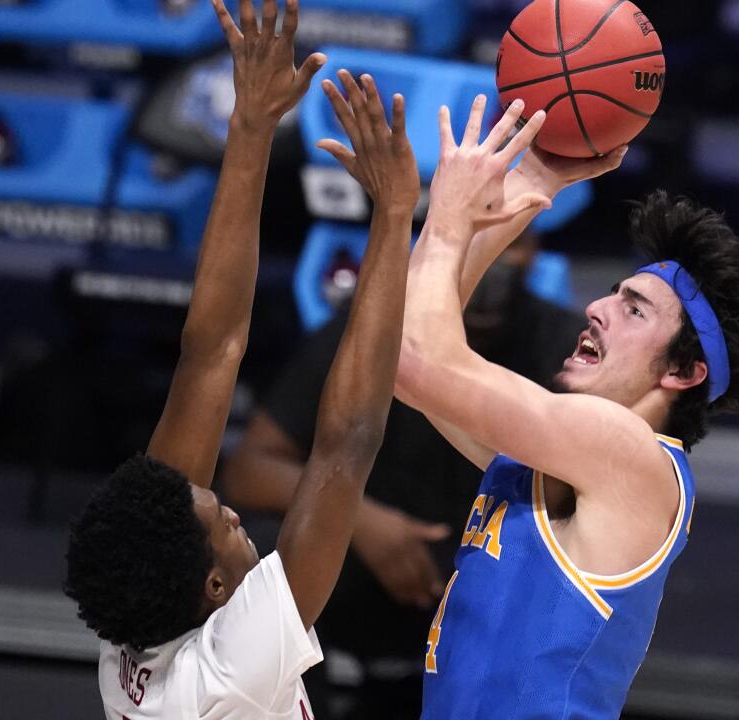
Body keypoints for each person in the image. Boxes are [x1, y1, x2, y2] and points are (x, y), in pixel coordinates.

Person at [64, 0, 437, 720]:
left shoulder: (145, 612)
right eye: (222, 522)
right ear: (214, 590)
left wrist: (251, 128)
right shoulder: (229, 674)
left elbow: (211, 351)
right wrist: (395, 218)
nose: (232, 510)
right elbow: (345, 446)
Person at [394, 96, 739, 718]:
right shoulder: (565, 459)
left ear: (683, 372)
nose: (597, 308)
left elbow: (414, 358)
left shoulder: (627, 452)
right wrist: (534, 182)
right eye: (614, 294)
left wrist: (452, 217)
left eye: (634, 308)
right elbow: (403, 358)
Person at [218, 228, 584, 712]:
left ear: (535, 253)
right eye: (476, 241)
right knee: (262, 549)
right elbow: (248, 471)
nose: (493, 263)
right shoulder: (375, 327)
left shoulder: (567, 351)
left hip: (489, 602)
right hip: (365, 588)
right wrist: (361, 522)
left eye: (510, 244)